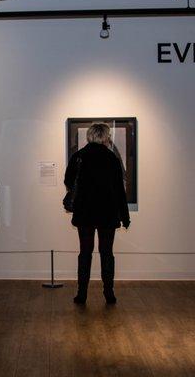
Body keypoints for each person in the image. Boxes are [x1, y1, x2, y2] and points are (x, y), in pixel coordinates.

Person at [64, 123, 130, 305]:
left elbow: (68, 180)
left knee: (85, 252)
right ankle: (109, 292)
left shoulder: (79, 157)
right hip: (107, 213)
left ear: (90, 136)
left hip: (85, 212)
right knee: (107, 253)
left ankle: (82, 293)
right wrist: (125, 217)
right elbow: (119, 191)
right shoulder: (112, 159)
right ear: (105, 137)